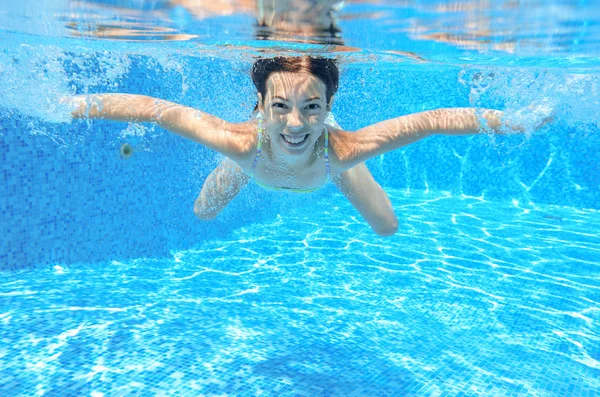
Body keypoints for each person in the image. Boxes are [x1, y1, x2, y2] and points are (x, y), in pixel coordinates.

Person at [69, 56, 530, 236]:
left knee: (387, 227)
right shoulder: (238, 141)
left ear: (329, 104)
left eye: (312, 107)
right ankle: (242, 153)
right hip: (251, 160)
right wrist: (72, 106)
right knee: (203, 212)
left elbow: (431, 121)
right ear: (261, 105)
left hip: (327, 166)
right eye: (281, 106)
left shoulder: (344, 149)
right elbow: (153, 109)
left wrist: (511, 121)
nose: (296, 123)